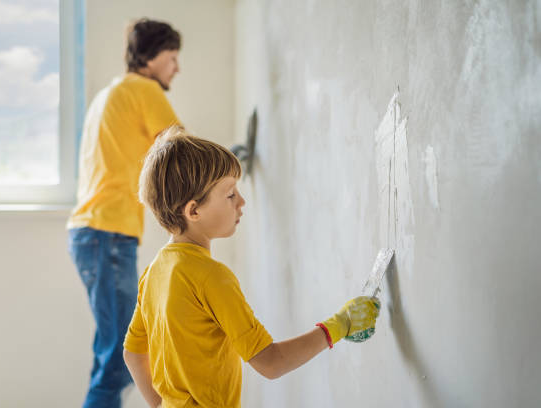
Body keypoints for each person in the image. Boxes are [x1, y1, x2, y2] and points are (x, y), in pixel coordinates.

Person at [122, 127, 381, 408]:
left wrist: (160, 405)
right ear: (193, 211)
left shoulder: (154, 272)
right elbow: (271, 363)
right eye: (230, 194)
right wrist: (341, 324)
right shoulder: (211, 277)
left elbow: (133, 354)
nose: (242, 202)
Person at [67, 19, 182, 408]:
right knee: (121, 356)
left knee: (113, 352)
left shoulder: (109, 94)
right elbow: (183, 151)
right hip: (107, 234)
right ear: (150, 58)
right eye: (172, 57)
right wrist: (229, 165)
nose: (176, 68)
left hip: (92, 234)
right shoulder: (142, 89)